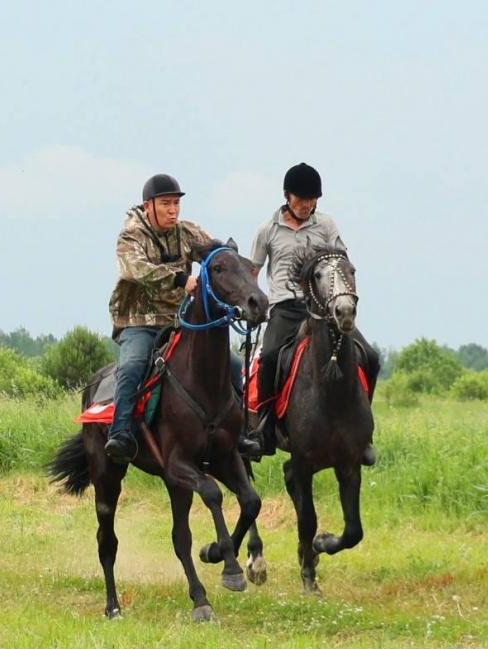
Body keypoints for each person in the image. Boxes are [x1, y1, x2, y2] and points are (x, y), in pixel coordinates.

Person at [104, 174, 260, 463]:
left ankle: (241, 434)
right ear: (148, 205)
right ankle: (120, 433)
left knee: (234, 363)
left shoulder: (188, 232)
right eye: (166, 204)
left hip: (178, 321)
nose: (173, 210)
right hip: (138, 322)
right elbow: (134, 269)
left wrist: (242, 276)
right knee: (133, 365)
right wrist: (180, 279)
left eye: (176, 204)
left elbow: (217, 257)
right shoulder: (130, 236)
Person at [249, 162, 380, 463]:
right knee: (269, 357)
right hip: (285, 307)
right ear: (287, 196)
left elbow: (342, 264)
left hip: (323, 309)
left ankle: (364, 433)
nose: (308, 205)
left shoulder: (327, 225)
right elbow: (252, 273)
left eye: (313, 199)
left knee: (370, 357)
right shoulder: (266, 230)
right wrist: (253, 306)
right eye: (302, 199)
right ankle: (264, 429)